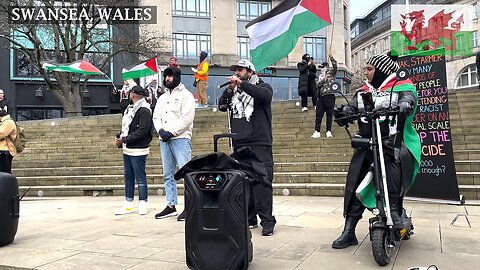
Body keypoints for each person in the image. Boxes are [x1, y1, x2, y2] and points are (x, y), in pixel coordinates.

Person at [331, 52, 421, 249]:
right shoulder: (364, 91)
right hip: (366, 143)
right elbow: (353, 107)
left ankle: (395, 212)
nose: (366, 73)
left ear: (382, 70)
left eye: (370, 69)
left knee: (393, 170)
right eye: (366, 69)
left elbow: (409, 98)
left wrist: (405, 104)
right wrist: (344, 112)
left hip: (391, 143)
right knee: (355, 182)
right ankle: (349, 231)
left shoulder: (400, 86)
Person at [218, 59, 276, 236]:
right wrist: (230, 89)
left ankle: (267, 220)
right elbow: (222, 105)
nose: (237, 73)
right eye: (235, 70)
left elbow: (263, 96)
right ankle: (249, 218)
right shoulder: (234, 91)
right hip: (240, 141)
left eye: (240, 70)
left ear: (250, 72)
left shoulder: (263, 86)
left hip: (259, 141)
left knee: (262, 181)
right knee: (244, 182)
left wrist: (242, 84)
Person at [153, 66, 195, 220]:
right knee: (167, 174)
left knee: (186, 174)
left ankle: (190, 206)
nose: (167, 79)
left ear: (177, 77)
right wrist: (160, 131)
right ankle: (170, 205)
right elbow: (156, 116)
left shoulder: (186, 95)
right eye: (166, 76)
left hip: (181, 139)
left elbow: (187, 118)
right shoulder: (162, 97)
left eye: (170, 76)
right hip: (164, 140)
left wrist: (172, 132)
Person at [114, 85, 153, 216]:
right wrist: (121, 136)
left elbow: (142, 131)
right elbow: (127, 127)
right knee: (128, 176)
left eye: (130, 94)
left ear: (133, 95)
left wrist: (124, 139)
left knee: (140, 177)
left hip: (139, 149)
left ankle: (143, 203)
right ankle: (128, 202)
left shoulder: (144, 110)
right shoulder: (129, 109)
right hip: (127, 149)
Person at [312, 53, 337, 138]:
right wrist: (323, 79)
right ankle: (317, 130)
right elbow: (318, 85)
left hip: (330, 96)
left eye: (323, 67)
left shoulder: (332, 73)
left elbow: (335, 66)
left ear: (326, 67)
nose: (321, 69)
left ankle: (328, 130)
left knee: (329, 114)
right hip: (321, 97)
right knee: (319, 114)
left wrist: (331, 58)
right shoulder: (320, 76)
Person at [0, 109, 17, 173]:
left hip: (5, 150)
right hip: (2, 150)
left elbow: (1, 134)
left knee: (4, 172)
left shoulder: (8, 122)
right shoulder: (3, 122)